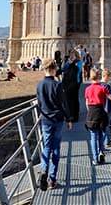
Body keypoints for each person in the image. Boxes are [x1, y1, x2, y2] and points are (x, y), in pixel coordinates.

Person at [36, 61, 72, 191]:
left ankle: (44, 170)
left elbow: (39, 103)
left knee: (46, 146)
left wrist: (43, 114)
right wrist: (69, 119)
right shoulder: (58, 85)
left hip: (45, 120)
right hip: (57, 120)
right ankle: (52, 179)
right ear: (53, 69)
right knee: (56, 148)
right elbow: (64, 104)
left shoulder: (39, 85)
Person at [84, 69, 111, 165]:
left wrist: (90, 111)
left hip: (91, 113)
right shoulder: (102, 88)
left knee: (93, 137)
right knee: (101, 135)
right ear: (99, 77)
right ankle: (101, 152)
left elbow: (87, 103)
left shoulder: (87, 89)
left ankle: (95, 158)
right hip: (101, 112)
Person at [60, 50, 81, 123]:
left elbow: (79, 71)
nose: (72, 56)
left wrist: (73, 64)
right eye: (71, 55)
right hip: (66, 83)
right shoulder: (67, 62)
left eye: (73, 55)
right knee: (67, 100)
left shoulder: (78, 62)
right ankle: (69, 116)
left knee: (74, 100)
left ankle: (75, 116)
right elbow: (62, 69)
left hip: (75, 83)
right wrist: (68, 63)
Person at [100, 69, 111, 148]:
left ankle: (106, 140)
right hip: (107, 108)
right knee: (106, 125)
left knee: (103, 125)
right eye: (109, 77)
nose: (110, 79)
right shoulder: (107, 86)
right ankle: (106, 141)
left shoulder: (99, 84)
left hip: (100, 108)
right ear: (106, 76)